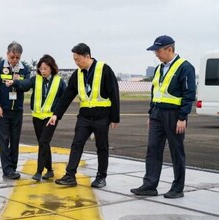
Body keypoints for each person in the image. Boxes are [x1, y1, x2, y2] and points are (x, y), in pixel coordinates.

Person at [131, 35, 196, 199]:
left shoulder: (185, 67)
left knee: (176, 151)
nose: (156, 54)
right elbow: (155, 92)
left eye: (158, 51)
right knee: (153, 149)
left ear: (169, 49)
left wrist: (182, 117)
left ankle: (177, 188)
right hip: (157, 114)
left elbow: (189, 94)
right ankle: (149, 185)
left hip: (174, 115)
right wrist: (151, 113)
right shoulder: (159, 68)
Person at [48, 43, 120, 188]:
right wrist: (56, 114)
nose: (76, 63)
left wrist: (114, 118)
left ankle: (101, 176)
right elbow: (67, 96)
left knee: (102, 146)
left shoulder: (104, 69)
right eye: (74, 60)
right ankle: (70, 175)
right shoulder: (77, 74)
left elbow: (114, 93)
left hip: (102, 116)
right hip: (84, 117)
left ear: (88, 57)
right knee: (77, 143)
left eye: (78, 59)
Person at [6, 54, 66, 181]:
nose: (42, 71)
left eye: (45, 68)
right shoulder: (36, 79)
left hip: (51, 117)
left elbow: (64, 99)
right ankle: (49, 170)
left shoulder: (59, 82)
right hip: (37, 117)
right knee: (43, 143)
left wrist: (57, 114)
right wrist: (15, 82)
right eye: (41, 68)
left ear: (52, 68)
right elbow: (25, 84)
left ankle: (39, 171)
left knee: (43, 142)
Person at [0, 41, 31, 179]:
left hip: (17, 110)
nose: (14, 60)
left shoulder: (24, 69)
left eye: (17, 58)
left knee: (15, 140)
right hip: (3, 109)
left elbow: (27, 85)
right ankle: (7, 169)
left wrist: (15, 82)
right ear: (7, 54)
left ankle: (13, 168)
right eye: (12, 57)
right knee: (4, 139)